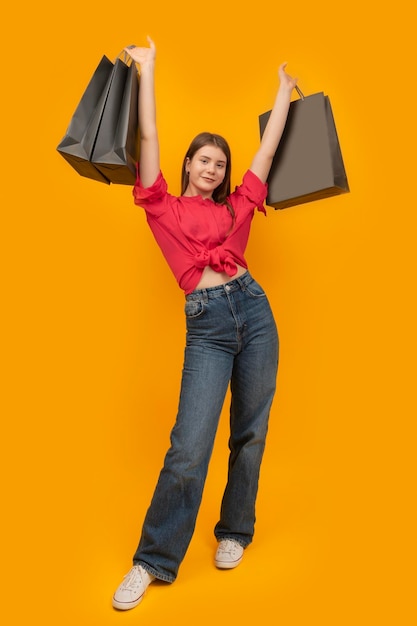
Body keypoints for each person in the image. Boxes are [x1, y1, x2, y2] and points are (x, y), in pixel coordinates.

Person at [112, 36, 298, 611]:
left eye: (220, 163)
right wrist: (148, 70)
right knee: (189, 448)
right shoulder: (160, 204)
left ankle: (235, 531)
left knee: (251, 430)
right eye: (204, 160)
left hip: (256, 312)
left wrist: (284, 95)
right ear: (188, 164)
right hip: (208, 324)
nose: (213, 168)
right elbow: (147, 139)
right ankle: (152, 561)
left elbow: (264, 156)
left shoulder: (237, 206)